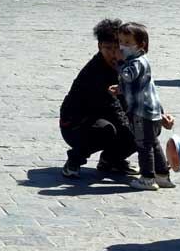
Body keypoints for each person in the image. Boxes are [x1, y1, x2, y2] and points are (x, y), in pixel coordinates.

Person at [59, 18, 138, 178]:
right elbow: (114, 108)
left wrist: (157, 115)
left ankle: (111, 160)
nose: (112, 53)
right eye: (107, 48)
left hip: (108, 116)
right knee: (109, 130)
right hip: (76, 124)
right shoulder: (95, 72)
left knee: (148, 124)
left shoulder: (132, 65)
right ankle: (74, 160)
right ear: (99, 47)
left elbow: (143, 93)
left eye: (116, 48)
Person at [112, 22, 174, 190]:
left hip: (141, 111)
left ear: (141, 45)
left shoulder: (135, 62)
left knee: (144, 145)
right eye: (120, 42)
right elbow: (138, 84)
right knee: (153, 142)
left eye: (127, 42)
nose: (122, 46)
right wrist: (121, 89)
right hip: (150, 108)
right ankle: (162, 175)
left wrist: (119, 62)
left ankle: (147, 178)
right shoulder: (141, 60)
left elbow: (128, 75)